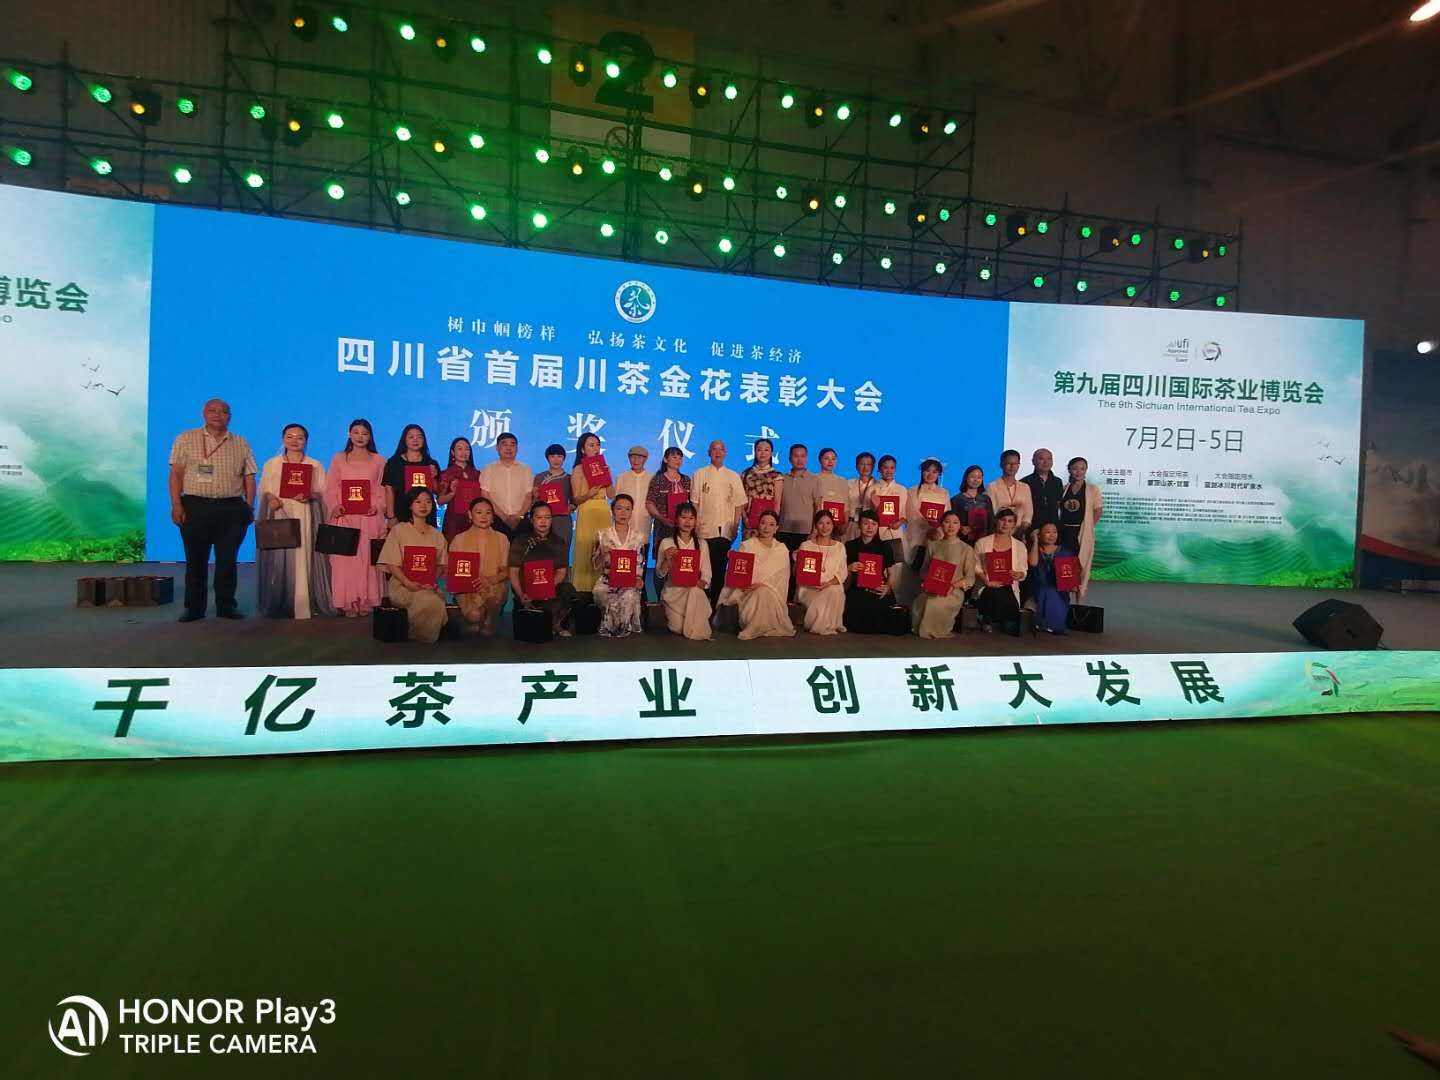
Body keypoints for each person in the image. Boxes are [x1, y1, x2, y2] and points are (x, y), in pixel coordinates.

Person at [168, 398, 258, 622]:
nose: (218, 415)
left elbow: (249, 476)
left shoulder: (241, 442)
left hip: (231, 509)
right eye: (213, 410)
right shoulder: (185, 438)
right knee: (195, 560)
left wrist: (249, 506)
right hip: (195, 506)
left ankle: (226, 606)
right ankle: (194, 608)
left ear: (230, 416)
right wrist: (176, 505)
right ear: (204, 413)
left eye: (224, 411)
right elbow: (176, 474)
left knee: (228, 561)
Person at [257, 423, 332, 619]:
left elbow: (323, 492)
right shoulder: (271, 464)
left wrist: (311, 495)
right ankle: (281, 602)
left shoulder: (314, 465)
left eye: (300, 437)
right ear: (283, 439)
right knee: (280, 558)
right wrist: (270, 499)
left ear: (306, 441)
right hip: (280, 513)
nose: (294, 441)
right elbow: (264, 489)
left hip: (304, 513)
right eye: (289, 436)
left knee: (303, 556)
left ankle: (303, 603)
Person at [327, 418, 387, 617]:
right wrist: (335, 506)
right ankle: (347, 602)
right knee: (345, 561)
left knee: (368, 560)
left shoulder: (379, 460)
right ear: (349, 434)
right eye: (356, 432)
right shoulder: (339, 459)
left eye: (364, 433)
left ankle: (367, 600)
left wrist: (377, 506)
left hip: (369, 517)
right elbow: (332, 486)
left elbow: (381, 489)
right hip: (345, 517)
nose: (360, 437)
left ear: (370, 436)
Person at [377, 488, 450, 643]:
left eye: (428, 502)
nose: (424, 505)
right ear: (410, 505)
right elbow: (391, 563)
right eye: (418, 501)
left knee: (432, 599)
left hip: (427, 585)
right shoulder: (399, 530)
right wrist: (408, 582)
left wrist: (430, 580)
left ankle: (418, 634)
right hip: (402, 585)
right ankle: (421, 636)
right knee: (432, 602)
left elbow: (441, 565)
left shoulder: (437, 535)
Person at [718, 509, 795, 639]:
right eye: (763, 523)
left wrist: (764, 585)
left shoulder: (781, 549)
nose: (766, 527)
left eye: (771, 524)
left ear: (776, 528)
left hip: (773, 593)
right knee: (760, 592)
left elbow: (782, 578)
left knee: (764, 591)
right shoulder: (747, 546)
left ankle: (756, 628)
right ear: (758, 524)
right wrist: (733, 560)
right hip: (748, 591)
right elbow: (738, 572)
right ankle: (754, 626)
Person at [691, 439, 747, 610]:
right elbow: (695, 502)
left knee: (720, 568)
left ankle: (716, 605)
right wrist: (696, 524)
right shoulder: (699, 474)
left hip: (725, 530)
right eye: (714, 449)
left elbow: (739, 503)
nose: (717, 452)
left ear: (725, 453)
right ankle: (702, 605)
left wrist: (736, 525)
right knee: (703, 569)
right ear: (709, 452)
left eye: (721, 449)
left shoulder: (733, 476)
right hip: (704, 528)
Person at [507, 502, 577, 636]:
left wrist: (546, 588)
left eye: (547, 517)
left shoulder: (559, 542)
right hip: (526, 591)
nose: (543, 521)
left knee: (568, 590)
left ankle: (554, 623)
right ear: (531, 520)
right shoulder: (520, 541)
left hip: (549, 588)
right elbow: (513, 572)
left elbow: (561, 572)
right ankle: (550, 622)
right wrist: (521, 594)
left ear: (552, 520)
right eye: (539, 517)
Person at [911, 511, 978, 640]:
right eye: (947, 522)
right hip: (932, 588)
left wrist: (952, 586)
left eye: (955, 523)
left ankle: (935, 630)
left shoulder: (966, 549)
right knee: (921, 601)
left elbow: (970, 578)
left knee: (934, 603)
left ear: (960, 526)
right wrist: (926, 581)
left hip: (952, 591)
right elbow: (924, 569)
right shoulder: (932, 545)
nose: (951, 526)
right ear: (941, 524)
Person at [449, 496, 510, 635]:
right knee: (474, 616)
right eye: (478, 512)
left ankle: (489, 620)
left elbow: (506, 571)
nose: (484, 516)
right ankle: (481, 618)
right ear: (470, 515)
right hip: (467, 588)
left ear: (493, 516)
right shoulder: (459, 539)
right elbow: (453, 571)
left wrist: (489, 580)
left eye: (488, 513)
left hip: (493, 584)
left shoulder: (502, 539)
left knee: (493, 598)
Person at [655, 502, 713, 640]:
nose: (687, 522)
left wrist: (703, 582)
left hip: (693, 590)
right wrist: (667, 559)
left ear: (695, 521)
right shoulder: (666, 542)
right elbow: (660, 573)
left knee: (695, 592)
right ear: (676, 519)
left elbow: (707, 573)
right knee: (677, 628)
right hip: (673, 592)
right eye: (683, 517)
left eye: (691, 518)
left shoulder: (702, 544)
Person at [591, 494, 645, 638]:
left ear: (632, 512)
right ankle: (610, 626)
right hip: (607, 580)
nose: (623, 513)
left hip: (629, 581)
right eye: (619, 508)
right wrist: (602, 553)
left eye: (627, 509)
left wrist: (638, 578)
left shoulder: (638, 536)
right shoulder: (602, 535)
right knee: (602, 593)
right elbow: (595, 565)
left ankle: (620, 627)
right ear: (612, 510)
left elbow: (640, 563)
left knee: (628, 595)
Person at [899, 458, 951, 606]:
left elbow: (947, 515)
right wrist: (929, 528)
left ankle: (932, 607)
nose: (930, 474)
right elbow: (913, 513)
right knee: (914, 574)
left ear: (939, 474)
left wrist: (938, 530)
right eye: (927, 470)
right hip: (917, 537)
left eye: (934, 471)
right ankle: (910, 607)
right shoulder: (912, 491)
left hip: (937, 537)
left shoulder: (944, 493)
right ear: (922, 472)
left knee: (934, 572)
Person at [569, 432, 613, 592]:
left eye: (598, 445)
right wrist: (589, 494)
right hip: (587, 509)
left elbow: (612, 494)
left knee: (604, 549)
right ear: (582, 449)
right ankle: (583, 590)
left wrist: (608, 477)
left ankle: (603, 588)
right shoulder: (578, 469)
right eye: (591, 445)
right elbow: (576, 499)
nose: (596, 448)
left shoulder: (604, 467)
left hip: (603, 509)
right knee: (586, 549)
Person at [843, 510, 900, 633]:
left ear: (878, 526)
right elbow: (840, 570)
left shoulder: (885, 547)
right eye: (866, 523)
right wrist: (849, 568)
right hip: (857, 587)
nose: (870, 527)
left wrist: (887, 587)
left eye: (874, 524)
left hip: (878, 587)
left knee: (881, 616)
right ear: (859, 525)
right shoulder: (850, 545)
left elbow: (891, 573)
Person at [972, 508, 1028, 631]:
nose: (1005, 524)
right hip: (987, 584)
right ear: (996, 521)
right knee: (992, 591)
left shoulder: (1020, 546)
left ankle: (993, 620)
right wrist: (986, 580)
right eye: (1002, 520)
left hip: (1009, 586)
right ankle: (990, 619)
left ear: (1014, 524)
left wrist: (1018, 574)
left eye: (1010, 521)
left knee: (1004, 596)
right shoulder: (982, 543)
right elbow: (976, 567)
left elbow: (1024, 571)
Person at [795, 509, 848, 635]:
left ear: (833, 525)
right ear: (815, 525)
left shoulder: (839, 547)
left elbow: (843, 572)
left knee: (833, 591)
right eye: (820, 523)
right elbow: (799, 573)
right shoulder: (806, 545)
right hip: (810, 587)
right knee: (827, 594)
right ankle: (825, 625)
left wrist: (828, 583)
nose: (825, 527)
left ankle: (823, 624)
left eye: (828, 523)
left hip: (831, 584)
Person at [1059, 456, 1105, 601]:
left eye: (1082, 469)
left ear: (1086, 470)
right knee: (1065, 569)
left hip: (1083, 533)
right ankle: (1065, 604)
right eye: (1075, 468)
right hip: (1064, 534)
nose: (1078, 472)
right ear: (1069, 470)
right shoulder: (1063, 489)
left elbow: (1098, 511)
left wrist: (1088, 527)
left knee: (1081, 569)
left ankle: (1079, 604)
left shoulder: (1092, 489)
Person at [479, 432, 534, 540]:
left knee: (520, 550)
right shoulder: (488, 469)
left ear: (517, 448)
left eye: (512, 445)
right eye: (504, 444)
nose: (509, 448)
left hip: (521, 520)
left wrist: (519, 516)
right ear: (497, 448)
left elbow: (528, 496)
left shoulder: (526, 469)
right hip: (496, 520)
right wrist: (503, 517)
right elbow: (486, 496)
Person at [615, 445, 654, 595]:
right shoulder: (622, 478)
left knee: (641, 569)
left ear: (646, 459)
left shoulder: (652, 479)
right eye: (633, 457)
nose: (636, 460)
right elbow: (617, 505)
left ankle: (641, 601)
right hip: (624, 533)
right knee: (622, 570)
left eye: (640, 457)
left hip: (643, 531)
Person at [383, 424, 439, 526]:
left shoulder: (431, 463)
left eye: (419, 437)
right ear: (404, 440)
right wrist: (391, 516)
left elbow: (436, 491)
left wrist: (433, 477)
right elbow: (389, 489)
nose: (415, 440)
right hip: (401, 512)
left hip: (426, 513)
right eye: (411, 437)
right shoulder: (394, 462)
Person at [1026, 522, 1074, 634]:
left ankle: (1051, 623)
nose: (1052, 535)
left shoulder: (1064, 552)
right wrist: (1035, 541)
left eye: (1054, 532)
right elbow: (1033, 563)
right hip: (1037, 589)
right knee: (1044, 590)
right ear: (1039, 534)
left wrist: (1072, 585)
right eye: (1048, 532)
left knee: (1049, 591)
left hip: (1059, 591)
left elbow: (1070, 576)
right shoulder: (1034, 550)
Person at [437, 437, 483, 543]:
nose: (464, 452)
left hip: (474, 519)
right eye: (459, 448)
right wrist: (452, 493)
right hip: (454, 520)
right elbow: (440, 501)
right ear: (453, 452)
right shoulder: (446, 474)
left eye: (467, 449)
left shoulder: (478, 474)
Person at [777, 443, 819, 558]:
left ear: (806, 458)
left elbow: (818, 507)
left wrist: (815, 531)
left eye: (803, 456)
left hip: (805, 531)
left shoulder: (814, 479)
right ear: (790, 459)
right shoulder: (782, 478)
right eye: (796, 456)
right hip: (783, 529)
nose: (799, 459)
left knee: (801, 565)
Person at [531, 442, 574, 552]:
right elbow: (534, 503)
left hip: (562, 520)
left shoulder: (570, 478)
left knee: (562, 551)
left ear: (564, 458)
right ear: (547, 458)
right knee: (543, 551)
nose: (556, 459)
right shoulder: (539, 477)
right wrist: (535, 495)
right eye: (552, 456)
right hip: (543, 520)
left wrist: (570, 507)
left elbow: (575, 501)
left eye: (559, 456)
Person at [645, 446, 691, 544]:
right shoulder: (658, 479)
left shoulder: (686, 480)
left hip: (683, 527)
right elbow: (650, 503)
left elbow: (692, 503)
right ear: (665, 459)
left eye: (680, 458)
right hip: (662, 526)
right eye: (674, 457)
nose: (678, 460)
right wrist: (662, 519)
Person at [741, 438, 784, 540]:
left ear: (771, 453)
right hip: (749, 524)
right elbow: (740, 500)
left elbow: (777, 503)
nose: (763, 453)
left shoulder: (777, 476)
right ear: (755, 452)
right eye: (759, 450)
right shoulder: (746, 474)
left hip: (768, 525)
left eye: (766, 450)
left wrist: (773, 523)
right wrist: (745, 519)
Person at [872, 454, 909, 568]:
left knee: (896, 568)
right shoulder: (872, 488)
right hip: (875, 533)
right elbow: (867, 515)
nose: (889, 471)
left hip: (895, 533)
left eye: (892, 468)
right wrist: (875, 507)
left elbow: (906, 514)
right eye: (885, 467)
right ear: (879, 469)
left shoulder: (902, 489)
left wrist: (900, 522)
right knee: (877, 567)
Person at [985, 450, 1033, 536]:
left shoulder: (1025, 487)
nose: (1012, 466)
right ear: (1001, 465)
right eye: (1008, 463)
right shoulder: (992, 487)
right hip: (998, 532)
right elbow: (990, 513)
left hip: (1020, 533)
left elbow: (1028, 513)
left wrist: (1021, 529)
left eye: (1015, 464)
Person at [1022, 448, 1064, 531]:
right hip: (1032, 528)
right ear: (1033, 461)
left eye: (1049, 459)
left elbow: (1059, 505)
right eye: (1041, 459)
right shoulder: (1025, 482)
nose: (1045, 462)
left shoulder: (1057, 481)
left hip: (1053, 529)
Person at [950, 465, 994, 544]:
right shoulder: (956, 500)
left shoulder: (986, 499)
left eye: (979, 477)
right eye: (973, 476)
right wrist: (960, 528)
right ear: (966, 478)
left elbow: (991, 523)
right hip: (963, 542)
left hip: (984, 542)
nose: (976, 480)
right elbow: (950, 521)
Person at [846, 452, 878, 541]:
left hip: (869, 527)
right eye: (862, 464)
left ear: (873, 467)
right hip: (851, 524)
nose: (865, 467)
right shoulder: (848, 484)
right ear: (856, 466)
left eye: (869, 464)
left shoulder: (879, 486)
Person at [812, 448, 850, 523]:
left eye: (833, 459)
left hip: (837, 521)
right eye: (826, 458)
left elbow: (846, 506)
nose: (830, 461)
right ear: (820, 460)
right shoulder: (813, 478)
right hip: (818, 521)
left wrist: (845, 524)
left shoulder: (842, 481)